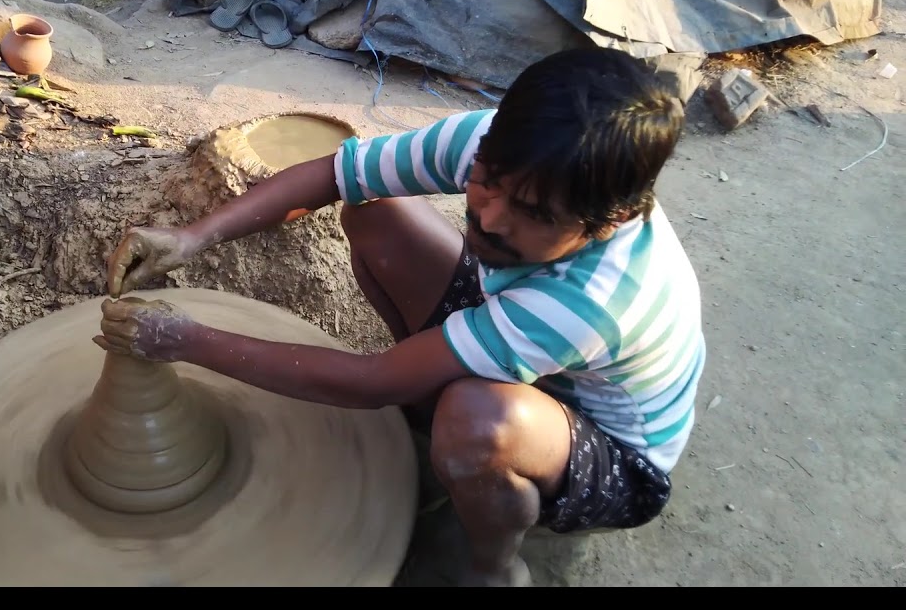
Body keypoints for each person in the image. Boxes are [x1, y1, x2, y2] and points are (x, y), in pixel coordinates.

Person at [93, 47, 705, 586]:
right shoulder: (505, 148)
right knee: (371, 209)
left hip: (612, 459)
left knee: (476, 420)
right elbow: (335, 173)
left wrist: (182, 341)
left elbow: (369, 383)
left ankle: (492, 570)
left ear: (608, 222)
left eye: (534, 215)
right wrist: (190, 238)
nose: (489, 218)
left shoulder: (592, 300)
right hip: (528, 361)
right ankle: (429, 401)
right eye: (487, 183)